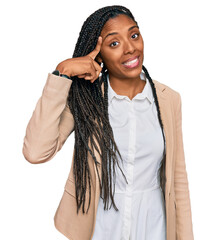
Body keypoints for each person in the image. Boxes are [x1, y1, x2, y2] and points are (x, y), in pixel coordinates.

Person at [22, 5, 194, 240]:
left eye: (134, 35)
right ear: (99, 54)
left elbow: (178, 178)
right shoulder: (85, 98)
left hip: (154, 226)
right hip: (100, 229)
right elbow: (36, 152)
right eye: (114, 43)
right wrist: (62, 73)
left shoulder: (168, 99)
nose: (130, 48)